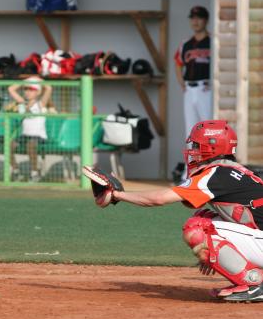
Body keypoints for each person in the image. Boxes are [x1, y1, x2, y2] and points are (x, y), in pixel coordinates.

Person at [92, 120, 263, 302]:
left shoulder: (215, 174)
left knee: (198, 228)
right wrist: (220, 255)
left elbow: (158, 199)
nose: (193, 151)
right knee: (204, 217)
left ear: (211, 147)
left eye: (196, 146)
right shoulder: (231, 171)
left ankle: (254, 284)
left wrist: (117, 195)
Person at [175, 6, 212, 147]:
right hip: (189, 90)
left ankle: (212, 160)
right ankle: (192, 161)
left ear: (206, 20)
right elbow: (178, 62)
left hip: (206, 88)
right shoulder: (186, 44)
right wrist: (181, 82)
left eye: (199, 18)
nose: (195, 21)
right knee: (191, 131)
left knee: (209, 129)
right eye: (193, 18)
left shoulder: (213, 41)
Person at [7, 77, 54, 182]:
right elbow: (11, 89)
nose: (27, 92)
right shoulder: (22, 103)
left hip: (39, 136)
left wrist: (37, 79)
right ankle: (16, 171)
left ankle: (34, 173)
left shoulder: (40, 104)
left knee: (31, 144)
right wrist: (26, 81)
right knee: (8, 145)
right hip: (25, 135)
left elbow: (49, 88)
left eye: (31, 89)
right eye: (26, 89)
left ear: (38, 92)